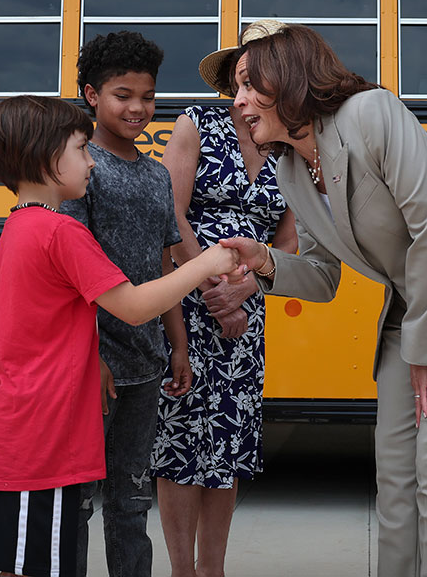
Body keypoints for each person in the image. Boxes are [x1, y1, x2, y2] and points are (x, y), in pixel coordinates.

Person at [217, 20, 427, 577]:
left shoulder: (370, 112)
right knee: (395, 473)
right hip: (420, 299)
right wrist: (266, 263)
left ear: (287, 77)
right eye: (234, 89)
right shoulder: (290, 170)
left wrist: (422, 350)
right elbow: (324, 276)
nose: (238, 102)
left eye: (247, 83)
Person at [0, 96, 244, 577]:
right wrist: (205, 263)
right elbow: (134, 306)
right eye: (80, 149)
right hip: (48, 433)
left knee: (22, 563)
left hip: (16, 428)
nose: (92, 160)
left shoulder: (19, 226)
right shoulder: (61, 233)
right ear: (46, 157)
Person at [152, 59, 297, 577]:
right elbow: (169, 212)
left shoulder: (289, 146)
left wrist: (247, 289)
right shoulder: (197, 122)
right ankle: (181, 571)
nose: (246, 90)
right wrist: (213, 283)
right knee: (181, 442)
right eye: (242, 80)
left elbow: (290, 239)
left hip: (247, 306)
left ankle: (211, 570)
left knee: (228, 443)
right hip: (186, 301)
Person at [60, 31, 186, 577]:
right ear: (91, 94)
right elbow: (69, 276)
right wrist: (92, 354)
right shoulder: (78, 171)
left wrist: (176, 346)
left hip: (144, 362)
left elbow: (164, 267)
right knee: (77, 503)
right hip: (94, 365)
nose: (138, 108)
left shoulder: (157, 175)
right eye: (122, 94)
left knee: (133, 502)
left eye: (148, 96)